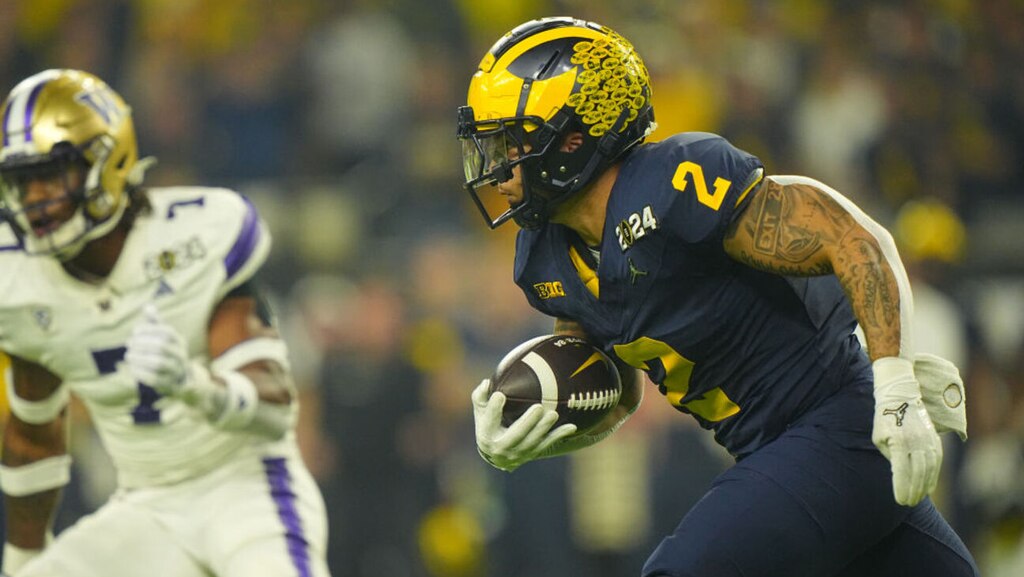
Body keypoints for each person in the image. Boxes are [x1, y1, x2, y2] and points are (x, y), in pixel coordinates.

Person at [457, 17, 979, 577]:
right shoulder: (543, 259)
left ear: (574, 138)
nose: (498, 167)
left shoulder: (678, 180)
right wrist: (534, 432)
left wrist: (894, 382)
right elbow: (615, 389)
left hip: (840, 423)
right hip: (776, 454)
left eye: (513, 141)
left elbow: (854, 238)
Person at [0, 69, 330, 577]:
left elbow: (274, 408)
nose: (35, 199)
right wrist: (21, 560)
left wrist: (193, 386)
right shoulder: (19, 281)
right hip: (146, 506)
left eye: (52, 175)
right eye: (23, 182)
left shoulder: (198, 234)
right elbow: (33, 436)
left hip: (247, 490)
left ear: (108, 163)